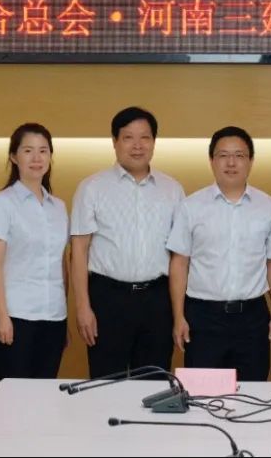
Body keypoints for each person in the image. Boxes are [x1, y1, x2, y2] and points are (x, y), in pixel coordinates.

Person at [69, 107, 184, 378]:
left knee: (155, 381)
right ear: (115, 142)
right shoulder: (92, 187)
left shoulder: (172, 189)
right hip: (108, 298)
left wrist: (179, 314)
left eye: (145, 137)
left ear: (154, 142)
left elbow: (179, 255)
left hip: (157, 299)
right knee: (107, 381)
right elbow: (79, 250)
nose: (137, 145)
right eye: (128, 137)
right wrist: (83, 307)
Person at [167, 126, 271, 381]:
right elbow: (179, 264)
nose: (231, 163)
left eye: (239, 155)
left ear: (251, 161)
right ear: (211, 160)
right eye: (223, 155)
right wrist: (178, 317)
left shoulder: (268, 207)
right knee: (201, 393)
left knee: (252, 391)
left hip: (252, 317)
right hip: (203, 318)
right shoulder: (191, 207)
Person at [0, 123, 69, 382]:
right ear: (13, 156)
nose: (36, 158)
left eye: (43, 151)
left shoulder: (59, 207)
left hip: (54, 317)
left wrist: (63, 317)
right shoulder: (1, 203)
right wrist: (2, 317)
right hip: (16, 315)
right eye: (28, 151)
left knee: (44, 393)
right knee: (12, 396)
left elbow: (61, 263)